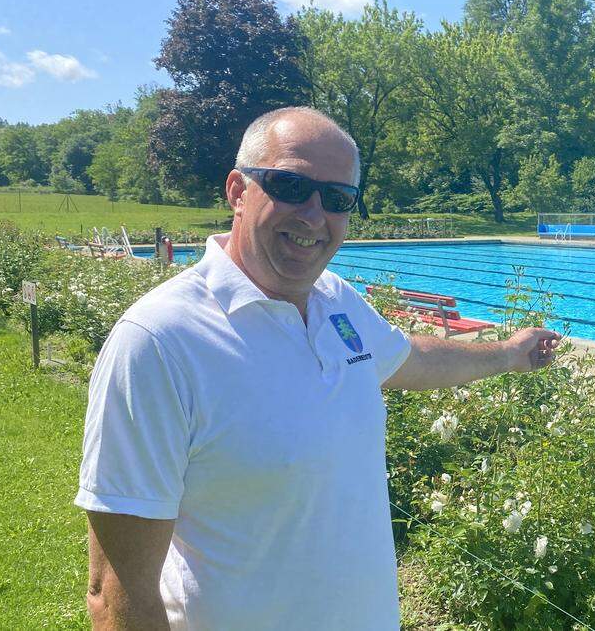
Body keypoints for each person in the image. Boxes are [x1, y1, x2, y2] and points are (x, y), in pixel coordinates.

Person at [75, 107, 561, 630]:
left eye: (336, 199)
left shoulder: (336, 301)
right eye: (290, 185)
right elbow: (116, 594)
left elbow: (410, 358)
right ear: (238, 191)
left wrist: (509, 353)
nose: (314, 215)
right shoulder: (160, 342)